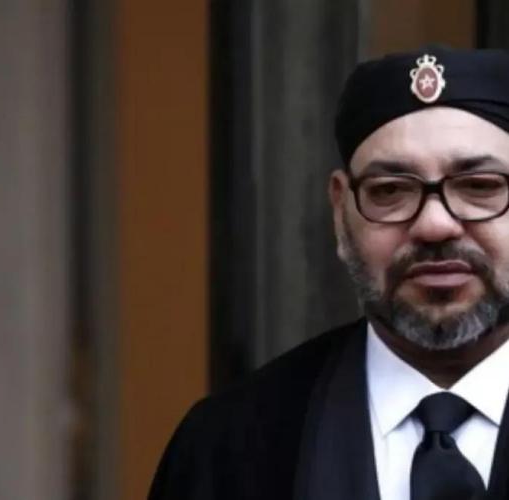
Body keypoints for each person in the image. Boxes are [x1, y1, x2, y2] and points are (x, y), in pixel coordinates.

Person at [148, 46, 509, 500]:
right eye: (390, 191)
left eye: (479, 186)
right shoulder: (228, 446)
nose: (435, 225)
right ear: (341, 213)